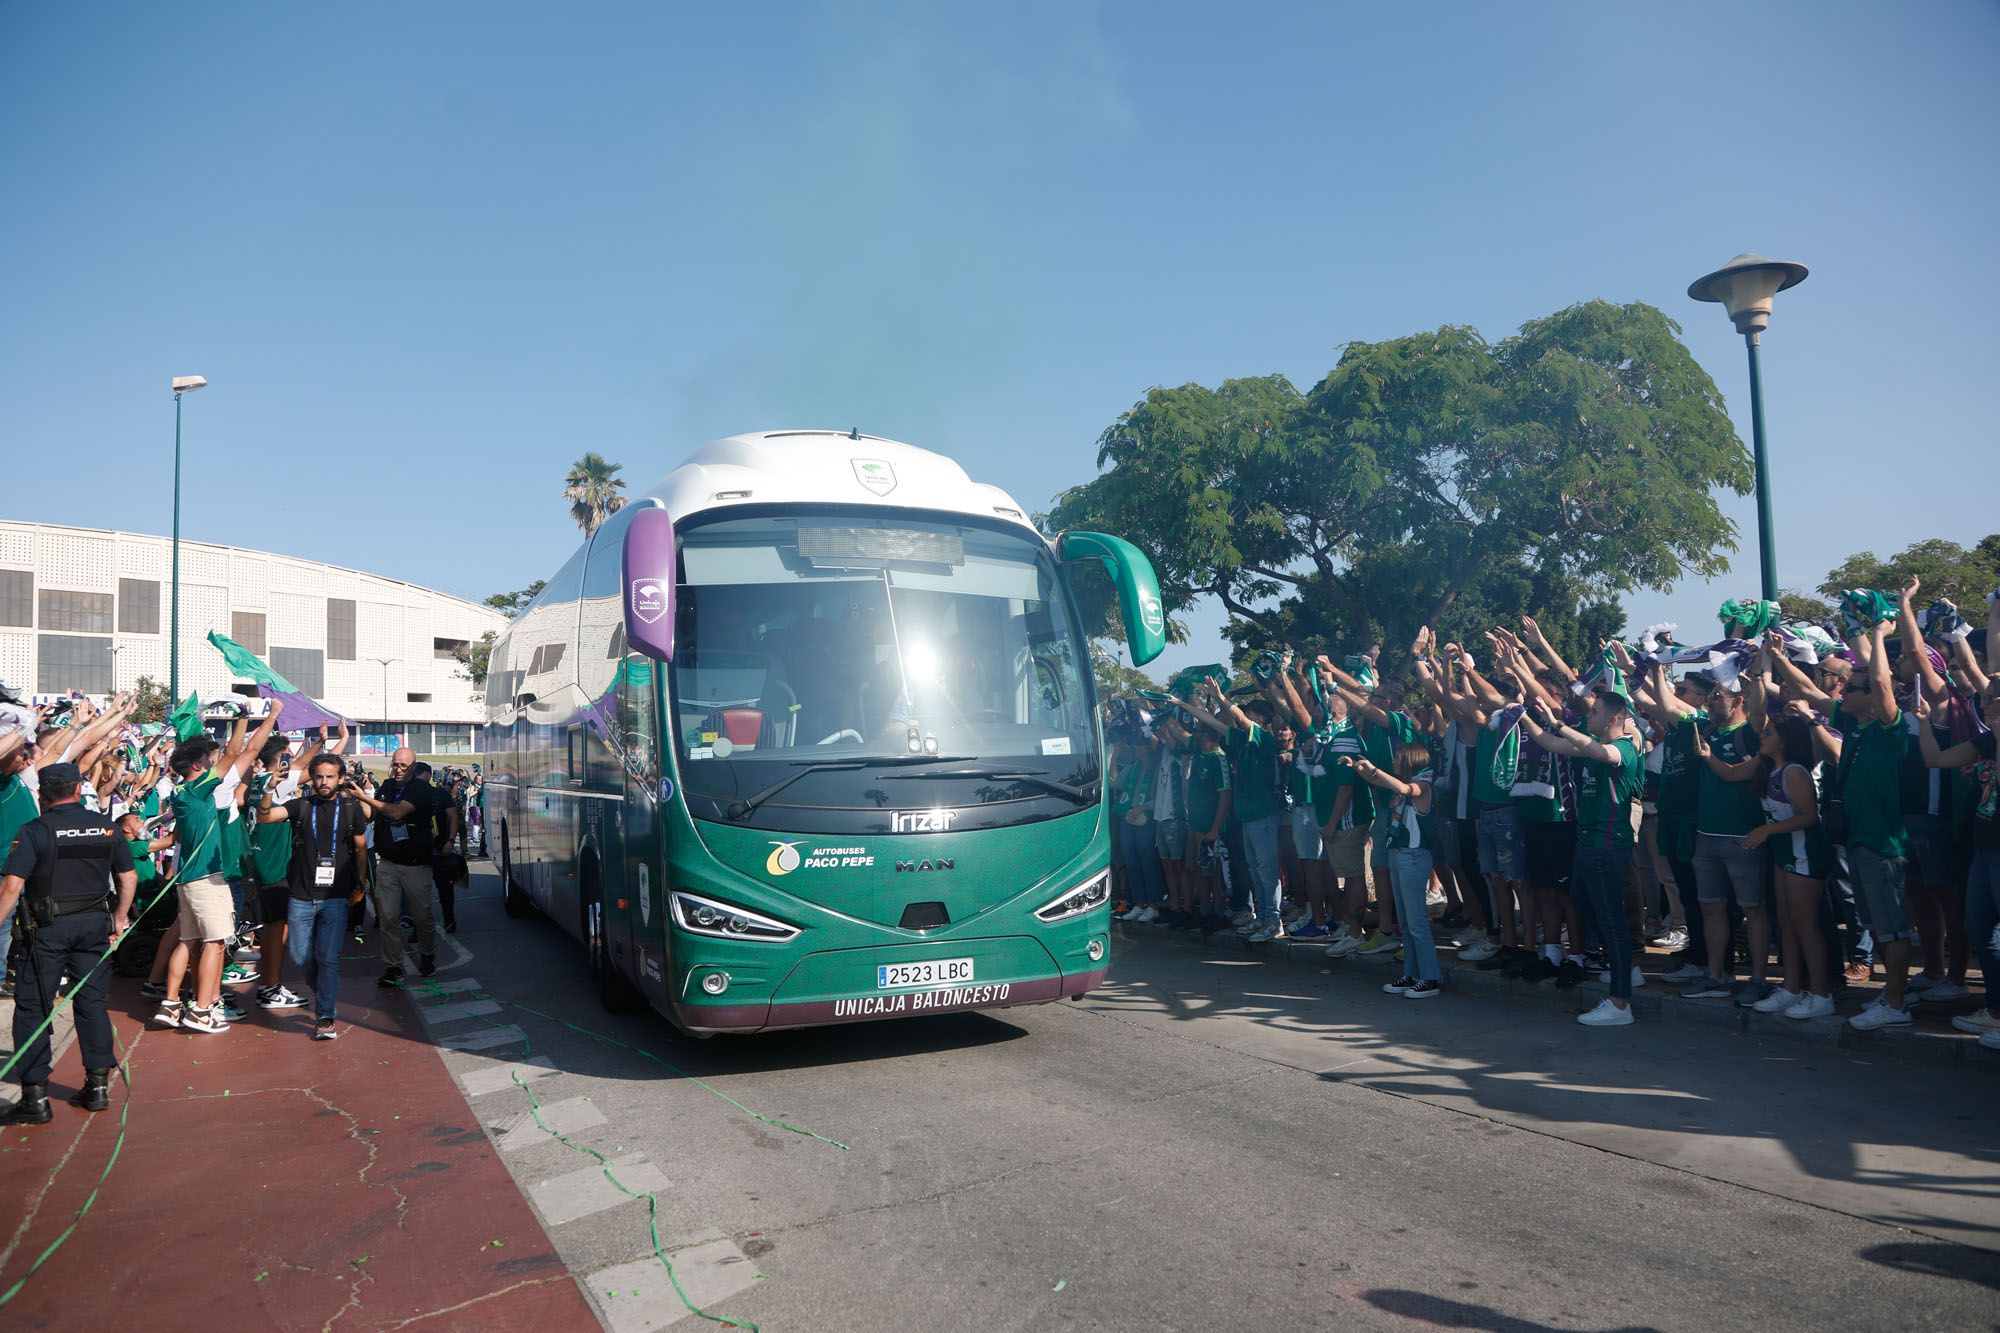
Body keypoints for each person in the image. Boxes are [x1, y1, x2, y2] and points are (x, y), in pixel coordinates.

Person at [0, 763, 138, 1124]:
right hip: (94, 925)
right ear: (79, 789)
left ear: (43, 795)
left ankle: (35, 1097)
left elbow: (11, 888)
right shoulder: (107, 827)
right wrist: (120, 919)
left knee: (33, 1007)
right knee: (92, 1004)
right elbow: (128, 875)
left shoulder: (34, 830)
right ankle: (97, 1088)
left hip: (47, 929)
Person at [1520, 678, 1645, 1026]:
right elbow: (1551, 743)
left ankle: (1621, 1002)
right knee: (1585, 910)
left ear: (1614, 718)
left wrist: (1559, 723)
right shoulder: (1591, 742)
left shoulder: (1624, 747)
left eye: (1595, 712)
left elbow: (1602, 754)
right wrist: (1527, 716)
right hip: (1587, 846)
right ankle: (1622, 973)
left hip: (1607, 848)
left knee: (1613, 924)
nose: (1589, 716)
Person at [154, 700, 284, 1034]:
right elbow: (241, 751)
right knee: (214, 944)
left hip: (188, 877)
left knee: (189, 941)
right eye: (209, 759)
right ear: (199, 766)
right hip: (207, 879)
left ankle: (172, 1004)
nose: (215, 762)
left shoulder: (182, 793)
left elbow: (234, 754)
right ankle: (202, 1009)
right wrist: (253, 717)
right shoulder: (199, 791)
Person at [257, 753, 371, 1038]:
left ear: (341, 778)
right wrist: (269, 789)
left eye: (330, 776)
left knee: (328, 957)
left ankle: (325, 1017)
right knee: (300, 954)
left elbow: (360, 849)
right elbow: (266, 816)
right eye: (319, 776)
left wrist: (361, 884)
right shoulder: (302, 806)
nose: (323, 782)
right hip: (300, 895)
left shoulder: (350, 809)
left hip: (335, 896)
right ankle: (323, 990)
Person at [1343, 744, 1442, 998]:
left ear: (1411, 760)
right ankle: (1411, 974)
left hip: (1414, 857)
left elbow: (1402, 788)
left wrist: (1374, 770)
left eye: (1398, 757)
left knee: (1417, 922)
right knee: (1407, 924)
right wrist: (1360, 769)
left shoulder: (1424, 785)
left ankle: (1430, 978)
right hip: (1398, 856)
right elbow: (1384, 783)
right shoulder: (1405, 784)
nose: (1394, 761)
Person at [350, 747, 444, 984]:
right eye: (395, 764)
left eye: (404, 765)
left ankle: (427, 955)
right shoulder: (387, 787)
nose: (398, 769)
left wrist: (363, 797)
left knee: (421, 915)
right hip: (389, 862)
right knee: (388, 916)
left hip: (416, 864)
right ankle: (393, 966)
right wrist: (357, 800)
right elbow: (372, 814)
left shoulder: (420, 790)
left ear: (413, 766)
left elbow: (395, 812)